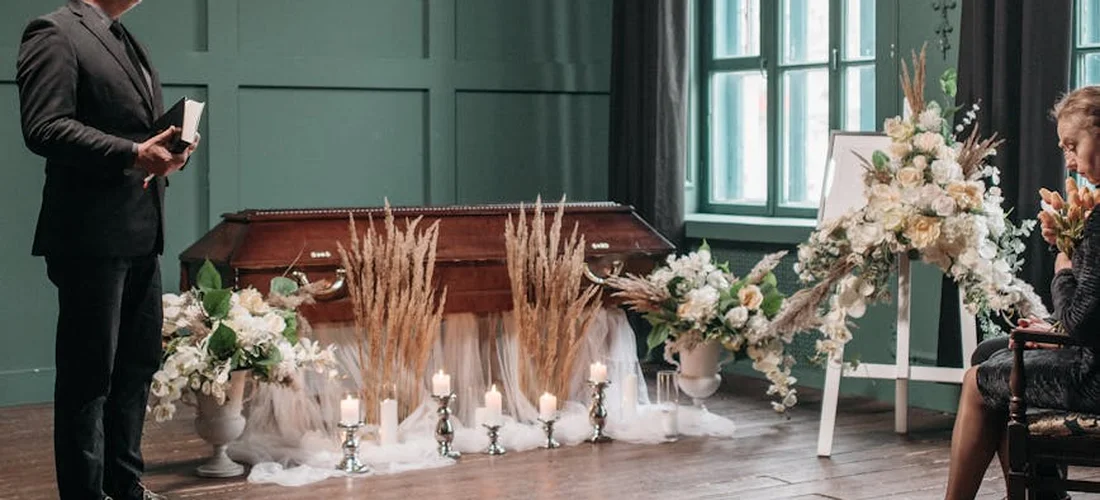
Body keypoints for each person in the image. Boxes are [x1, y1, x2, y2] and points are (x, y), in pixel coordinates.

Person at [16, 1, 198, 498]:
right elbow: (45, 127)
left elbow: (133, 129)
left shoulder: (123, 37)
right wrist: (135, 153)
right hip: (89, 238)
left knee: (134, 372)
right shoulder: (52, 32)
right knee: (87, 380)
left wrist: (167, 150)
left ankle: (126, 485)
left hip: (142, 233)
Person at [943, 86, 1100, 500]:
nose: (1068, 159)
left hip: (1095, 376)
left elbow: (1082, 321)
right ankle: (1047, 496)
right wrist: (1050, 326)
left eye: (1073, 145)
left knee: (978, 381)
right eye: (1063, 147)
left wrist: (1062, 265)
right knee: (989, 351)